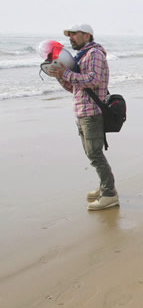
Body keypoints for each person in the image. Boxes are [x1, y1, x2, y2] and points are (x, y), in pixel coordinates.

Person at [48, 24, 118, 211]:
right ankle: (105, 186)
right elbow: (75, 87)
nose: (70, 38)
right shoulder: (83, 56)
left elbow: (93, 80)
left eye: (74, 34)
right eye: (69, 35)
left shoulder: (94, 54)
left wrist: (66, 73)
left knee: (94, 153)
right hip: (82, 111)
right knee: (91, 153)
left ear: (87, 35)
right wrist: (60, 77)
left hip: (92, 112)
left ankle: (109, 194)